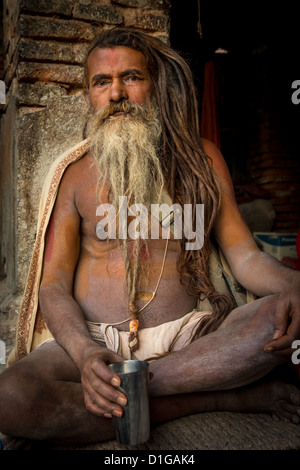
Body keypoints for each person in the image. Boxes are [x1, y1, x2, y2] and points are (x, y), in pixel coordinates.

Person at [0, 27, 299, 448]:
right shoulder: (73, 173)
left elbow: (245, 256)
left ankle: (138, 391)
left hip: (193, 340)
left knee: (283, 317)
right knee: (9, 399)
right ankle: (214, 398)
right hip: (97, 339)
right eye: (102, 82)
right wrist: (85, 356)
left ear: (154, 83)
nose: (116, 93)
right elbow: (52, 285)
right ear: (89, 94)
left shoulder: (202, 158)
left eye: (131, 77)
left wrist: (292, 284)